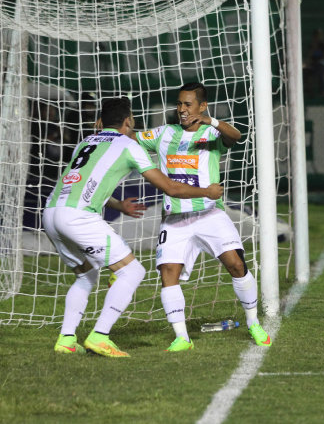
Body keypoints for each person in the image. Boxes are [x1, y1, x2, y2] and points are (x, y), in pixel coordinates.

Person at [44, 97, 222, 357]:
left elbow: (81, 181)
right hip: (79, 218)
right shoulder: (128, 145)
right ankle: (100, 336)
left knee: (86, 275)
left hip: (51, 214)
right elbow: (170, 187)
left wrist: (118, 206)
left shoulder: (86, 142)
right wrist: (206, 190)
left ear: (101, 122)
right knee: (133, 272)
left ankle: (66, 340)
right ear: (128, 122)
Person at [134, 82, 272, 351]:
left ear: (201, 106)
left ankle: (254, 323)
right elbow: (132, 140)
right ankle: (182, 337)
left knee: (236, 264)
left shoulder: (211, 131)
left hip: (209, 214)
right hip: (175, 218)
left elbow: (237, 136)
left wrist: (210, 120)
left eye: (187, 104)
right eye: (179, 104)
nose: (182, 110)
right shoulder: (163, 133)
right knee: (168, 273)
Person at [304, 28, 324, 97]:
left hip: (322, 64)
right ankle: (309, 91)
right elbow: (309, 56)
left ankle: (322, 92)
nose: (318, 37)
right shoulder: (312, 45)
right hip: (314, 64)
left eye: (320, 35)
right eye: (317, 35)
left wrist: (315, 60)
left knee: (320, 72)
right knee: (306, 71)